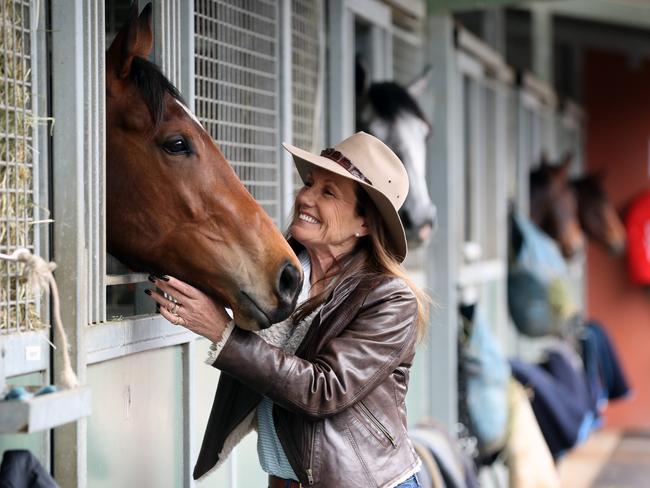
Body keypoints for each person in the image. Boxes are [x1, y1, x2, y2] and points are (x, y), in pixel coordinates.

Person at [146, 132, 430, 488]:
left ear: (365, 223)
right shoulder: (277, 278)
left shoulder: (389, 299)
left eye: (328, 192)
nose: (306, 197)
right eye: (310, 183)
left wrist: (223, 332)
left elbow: (324, 390)